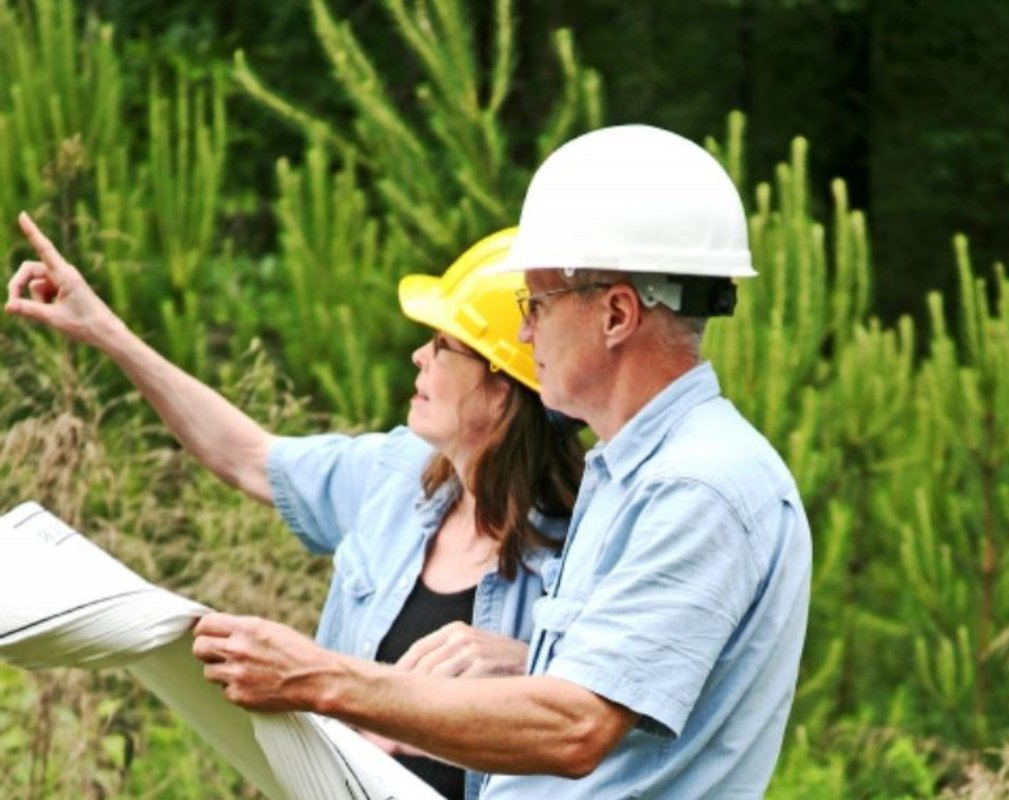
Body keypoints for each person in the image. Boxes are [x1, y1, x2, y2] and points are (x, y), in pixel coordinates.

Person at [185, 124, 810, 797]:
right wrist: (527, 665)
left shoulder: (698, 487)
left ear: (617, 315)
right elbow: (603, 699)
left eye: (535, 303)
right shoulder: (625, 474)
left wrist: (319, 678)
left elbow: (576, 729)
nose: (521, 331)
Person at [5, 220, 583, 800]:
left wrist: (528, 664)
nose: (418, 355)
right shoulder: (397, 474)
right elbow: (250, 457)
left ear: (502, 387)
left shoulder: (587, 543)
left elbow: (616, 720)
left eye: (442, 345)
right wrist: (106, 332)